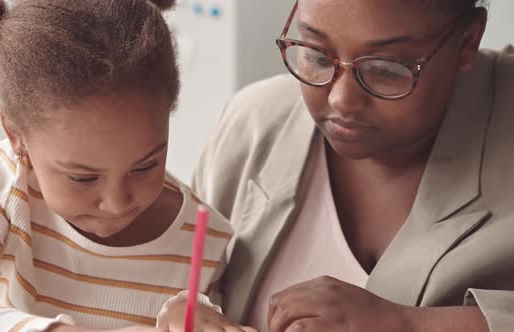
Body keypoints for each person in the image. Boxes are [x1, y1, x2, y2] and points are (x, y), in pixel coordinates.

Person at [0, 1, 256, 331]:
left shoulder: (205, 239)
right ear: (16, 135)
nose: (116, 203)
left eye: (144, 167)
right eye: (82, 177)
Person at [192, 0, 514, 331]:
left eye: (385, 68)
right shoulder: (251, 123)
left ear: (467, 40)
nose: (341, 100)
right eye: (317, 55)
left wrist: (410, 324)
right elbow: (171, 286)